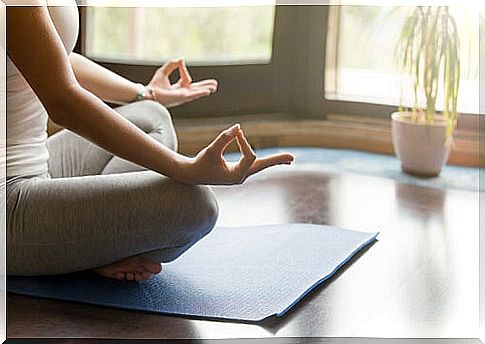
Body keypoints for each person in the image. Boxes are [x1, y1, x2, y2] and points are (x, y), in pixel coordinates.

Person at [5, 1, 294, 282]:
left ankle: (87, 247)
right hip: (8, 206)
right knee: (195, 205)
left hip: (38, 165)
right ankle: (87, 250)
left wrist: (145, 93)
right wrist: (184, 168)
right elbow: (62, 101)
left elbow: (56, 58)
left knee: (150, 116)